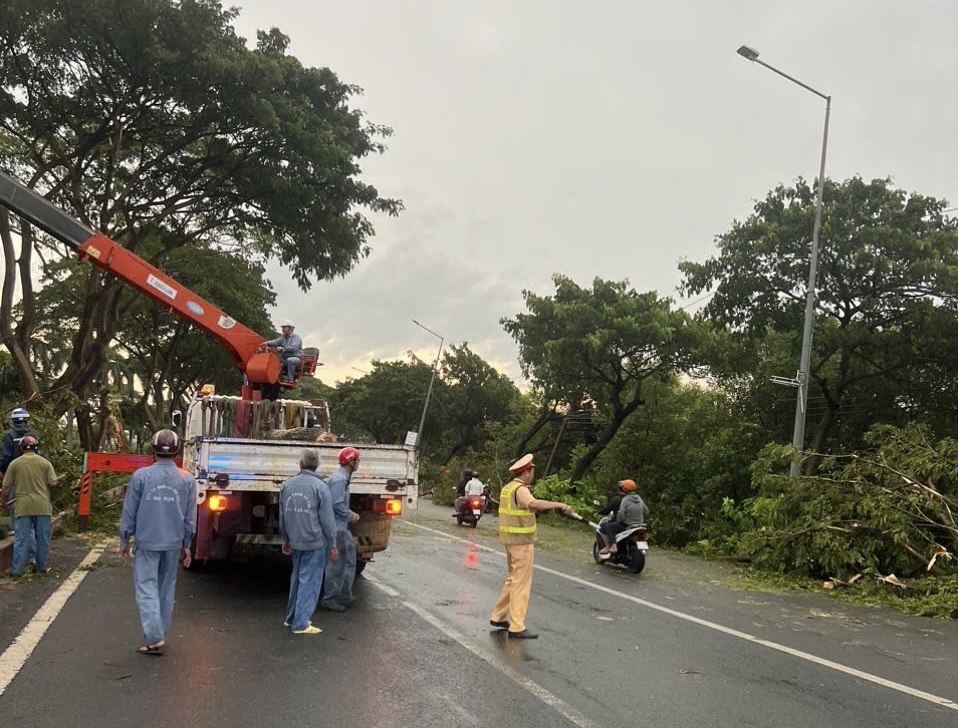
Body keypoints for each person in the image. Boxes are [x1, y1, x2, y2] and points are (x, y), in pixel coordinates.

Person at [118, 429, 197, 656]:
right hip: (173, 543)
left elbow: (129, 511)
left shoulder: (141, 476)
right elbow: (189, 518)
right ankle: (159, 633)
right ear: (177, 451)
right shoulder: (187, 479)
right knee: (166, 588)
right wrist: (187, 545)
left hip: (147, 541)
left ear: (152, 450)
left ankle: (154, 638)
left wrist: (124, 538)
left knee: (146, 587)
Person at [489, 453, 575, 639]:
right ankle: (517, 626)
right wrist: (559, 505)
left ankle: (498, 616)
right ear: (526, 472)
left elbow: (525, 507)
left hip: (510, 540)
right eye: (532, 470)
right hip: (521, 542)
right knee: (521, 583)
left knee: (513, 579)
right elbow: (532, 503)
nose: (533, 473)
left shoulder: (508, 488)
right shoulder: (521, 489)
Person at [280, 448, 339, 635]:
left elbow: (282, 515)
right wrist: (333, 544)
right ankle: (301, 624)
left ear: (301, 464)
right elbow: (328, 521)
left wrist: (286, 539)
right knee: (310, 581)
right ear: (317, 465)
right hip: (314, 542)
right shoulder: (321, 487)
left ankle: (291, 618)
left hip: (295, 540)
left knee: (296, 579)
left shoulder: (287, 485)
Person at [3, 435, 57, 576]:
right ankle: (42, 567)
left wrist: (3, 502)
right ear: (36, 448)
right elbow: (53, 483)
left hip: (23, 506)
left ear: (21, 448)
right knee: (42, 539)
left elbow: (6, 488)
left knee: (21, 538)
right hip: (42, 506)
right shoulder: (45, 463)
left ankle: (17, 570)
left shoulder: (14, 464)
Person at [320, 446, 361, 612]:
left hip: (341, 527)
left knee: (349, 561)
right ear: (351, 462)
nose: (358, 463)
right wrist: (350, 515)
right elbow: (337, 504)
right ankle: (331, 598)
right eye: (357, 460)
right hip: (337, 529)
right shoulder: (339, 480)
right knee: (337, 565)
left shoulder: (343, 478)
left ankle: (344, 595)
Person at [0, 408, 40, 557]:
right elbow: (40, 454)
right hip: (35, 478)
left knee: (14, 507)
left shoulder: (9, 435)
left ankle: (18, 536)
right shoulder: (34, 435)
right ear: (27, 420)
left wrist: (3, 474)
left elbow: (5, 457)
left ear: (14, 421)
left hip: (15, 477)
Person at [599, 479, 649, 555]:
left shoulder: (625, 499)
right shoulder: (639, 498)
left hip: (627, 525)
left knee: (606, 526)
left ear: (624, 489)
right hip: (639, 525)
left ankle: (611, 546)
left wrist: (619, 521)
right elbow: (646, 511)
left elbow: (621, 514)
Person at [264, 319, 304, 384]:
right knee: (274, 361)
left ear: (290, 328)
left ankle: (290, 380)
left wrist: (282, 349)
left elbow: (293, 348)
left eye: (284, 327)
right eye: (282, 327)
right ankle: (275, 379)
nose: (282, 329)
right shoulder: (283, 337)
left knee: (290, 360)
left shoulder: (296, 338)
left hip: (296, 358)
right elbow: (276, 342)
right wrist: (266, 343)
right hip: (285, 358)